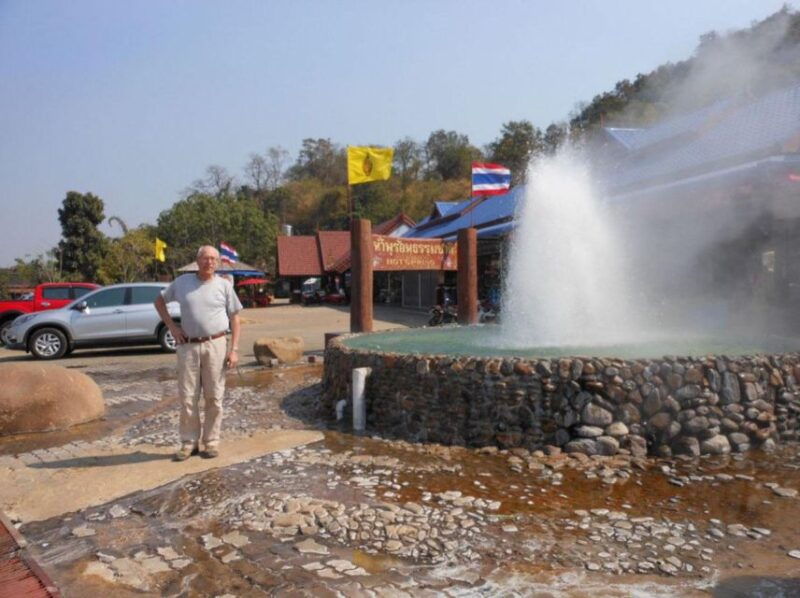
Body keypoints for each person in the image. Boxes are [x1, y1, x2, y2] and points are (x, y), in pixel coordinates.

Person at [154, 245, 243, 461]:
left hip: (216, 344)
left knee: (214, 396)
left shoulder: (224, 285)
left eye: (213, 259)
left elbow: (235, 319)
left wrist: (234, 350)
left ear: (218, 262)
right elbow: (159, 302)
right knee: (188, 397)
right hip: (188, 347)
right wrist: (173, 328)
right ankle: (189, 442)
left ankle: (211, 442)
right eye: (205, 258)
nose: (209, 262)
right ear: (197, 260)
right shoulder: (182, 283)